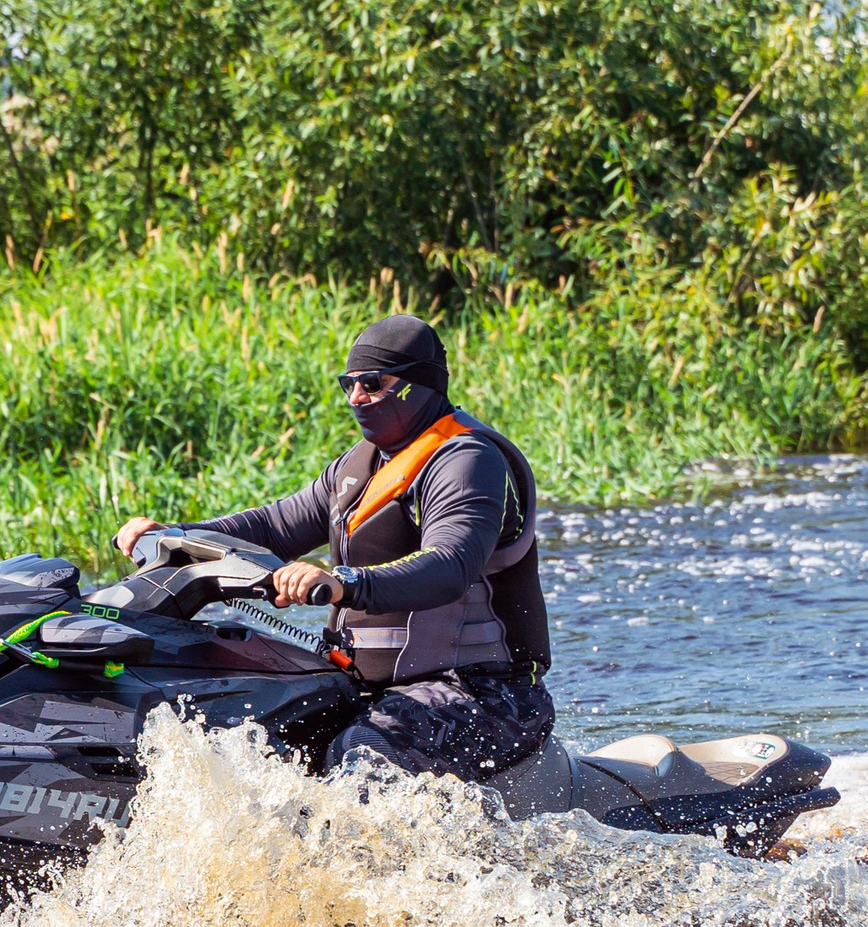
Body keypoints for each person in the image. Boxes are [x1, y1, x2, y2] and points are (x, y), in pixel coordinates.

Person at [113, 314, 554, 779]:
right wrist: (173, 533)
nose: (355, 398)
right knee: (244, 724)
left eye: (372, 383)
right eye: (348, 384)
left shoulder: (467, 460)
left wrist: (343, 582)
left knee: (362, 752)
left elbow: (450, 564)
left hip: (487, 695)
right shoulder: (356, 468)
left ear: (419, 385)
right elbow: (273, 526)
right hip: (370, 687)